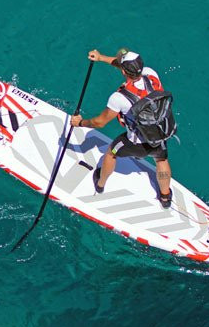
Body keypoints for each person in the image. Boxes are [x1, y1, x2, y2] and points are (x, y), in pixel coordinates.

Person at [70, 48, 173, 207]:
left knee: (112, 152)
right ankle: (165, 197)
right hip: (159, 133)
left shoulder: (119, 98)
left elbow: (100, 122)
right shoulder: (151, 75)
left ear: (124, 71)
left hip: (136, 143)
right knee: (161, 158)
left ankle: (100, 184)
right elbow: (126, 69)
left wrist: (80, 123)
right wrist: (101, 58)